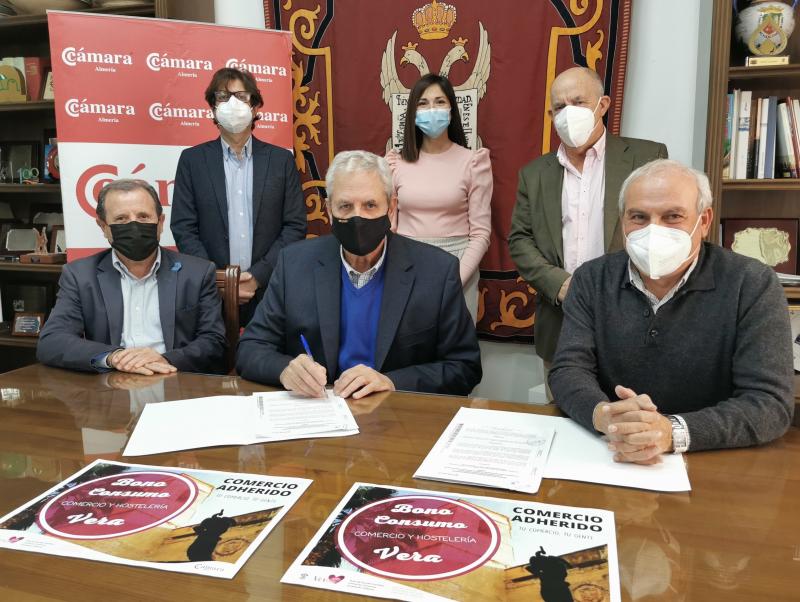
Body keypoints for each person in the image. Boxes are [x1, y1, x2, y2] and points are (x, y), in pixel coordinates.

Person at [549, 159, 794, 462]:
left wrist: (670, 432)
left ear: (704, 221)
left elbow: (769, 403)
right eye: (639, 217)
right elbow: (568, 370)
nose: (654, 230)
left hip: (710, 459)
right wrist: (605, 416)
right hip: (609, 450)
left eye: (673, 216)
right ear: (622, 221)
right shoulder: (591, 278)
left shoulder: (752, 283)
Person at [236, 150, 481, 398]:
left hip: (396, 413)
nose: (358, 217)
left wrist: (392, 382)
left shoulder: (436, 271)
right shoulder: (294, 264)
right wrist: (285, 370)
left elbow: (465, 366)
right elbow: (251, 347)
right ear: (329, 210)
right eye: (345, 206)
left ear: (391, 207)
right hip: (320, 408)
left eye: (370, 205)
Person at [509, 66, 668, 393]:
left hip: (632, 318)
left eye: (578, 102)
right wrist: (561, 285)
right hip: (561, 322)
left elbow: (663, 227)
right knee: (562, 411)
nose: (568, 113)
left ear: (602, 104)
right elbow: (520, 240)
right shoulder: (534, 174)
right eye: (559, 107)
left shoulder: (646, 157)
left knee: (628, 414)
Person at [37, 179, 227, 375]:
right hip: (111, 383)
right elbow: (52, 341)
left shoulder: (197, 272)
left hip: (174, 378)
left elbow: (214, 342)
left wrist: (165, 359)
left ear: (160, 222)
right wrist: (114, 357)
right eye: (121, 219)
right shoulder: (80, 275)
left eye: (143, 216)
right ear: (103, 226)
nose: (134, 226)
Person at [170, 67, 306, 325]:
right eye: (223, 97)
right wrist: (220, 281)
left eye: (241, 97)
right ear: (213, 109)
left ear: (255, 107)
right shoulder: (192, 161)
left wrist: (258, 276)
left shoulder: (281, 161)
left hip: (269, 290)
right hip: (211, 294)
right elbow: (183, 227)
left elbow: (294, 226)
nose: (232, 104)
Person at [386, 74, 492, 321]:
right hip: (406, 267)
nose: (432, 109)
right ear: (412, 113)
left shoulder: (474, 162)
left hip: (458, 268)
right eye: (423, 103)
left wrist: (453, 280)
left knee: (454, 342)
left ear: (452, 109)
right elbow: (388, 228)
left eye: (440, 102)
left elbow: (481, 234)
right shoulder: (394, 163)